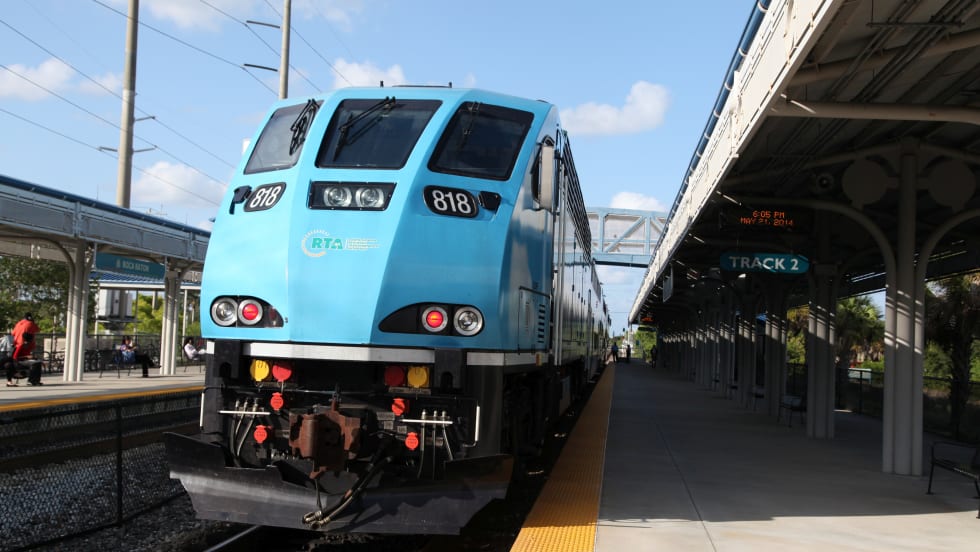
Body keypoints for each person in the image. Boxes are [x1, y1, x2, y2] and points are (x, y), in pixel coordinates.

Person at [12, 313, 42, 385]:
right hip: (21, 349)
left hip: (17, 344)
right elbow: (38, 329)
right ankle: (32, 380)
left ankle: (35, 380)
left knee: (37, 362)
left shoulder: (18, 323)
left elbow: (13, 333)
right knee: (35, 363)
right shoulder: (30, 323)